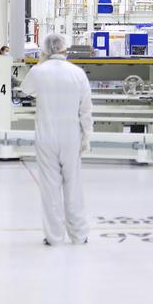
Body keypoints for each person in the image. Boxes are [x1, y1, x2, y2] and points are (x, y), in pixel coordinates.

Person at [21, 31, 93, 247]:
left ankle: (54, 237)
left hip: (46, 136)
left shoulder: (38, 71)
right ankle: (79, 235)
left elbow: (26, 89)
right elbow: (86, 109)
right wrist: (86, 135)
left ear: (45, 49)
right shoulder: (78, 73)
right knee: (74, 185)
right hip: (71, 136)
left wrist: (41, 65)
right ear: (65, 49)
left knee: (50, 187)